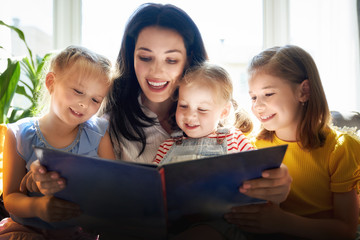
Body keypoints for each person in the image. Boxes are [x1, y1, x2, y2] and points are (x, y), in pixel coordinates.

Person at [21, 3, 292, 238]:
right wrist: (37, 180)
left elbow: (258, 191)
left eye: (171, 60)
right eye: (145, 57)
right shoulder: (104, 123)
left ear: (189, 61)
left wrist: (274, 188)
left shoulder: (219, 118)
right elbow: (63, 154)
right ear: (131, 58)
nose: (156, 71)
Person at [225, 45, 360, 239]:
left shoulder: (340, 149)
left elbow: (346, 230)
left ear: (303, 91)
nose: (257, 106)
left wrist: (283, 222)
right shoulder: (250, 146)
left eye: (268, 94)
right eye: (253, 97)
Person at [2, 45, 115, 240]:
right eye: (78, 91)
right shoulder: (19, 134)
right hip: (28, 230)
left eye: (96, 100)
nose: (85, 104)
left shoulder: (99, 133)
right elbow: (10, 198)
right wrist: (38, 207)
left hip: (79, 233)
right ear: (51, 82)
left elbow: (113, 185)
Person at [154, 62, 253, 165]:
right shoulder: (167, 146)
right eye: (183, 106)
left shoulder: (234, 139)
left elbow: (257, 168)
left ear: (224, 112)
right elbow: (152, 178)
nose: (189, 115)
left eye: (202, 109)